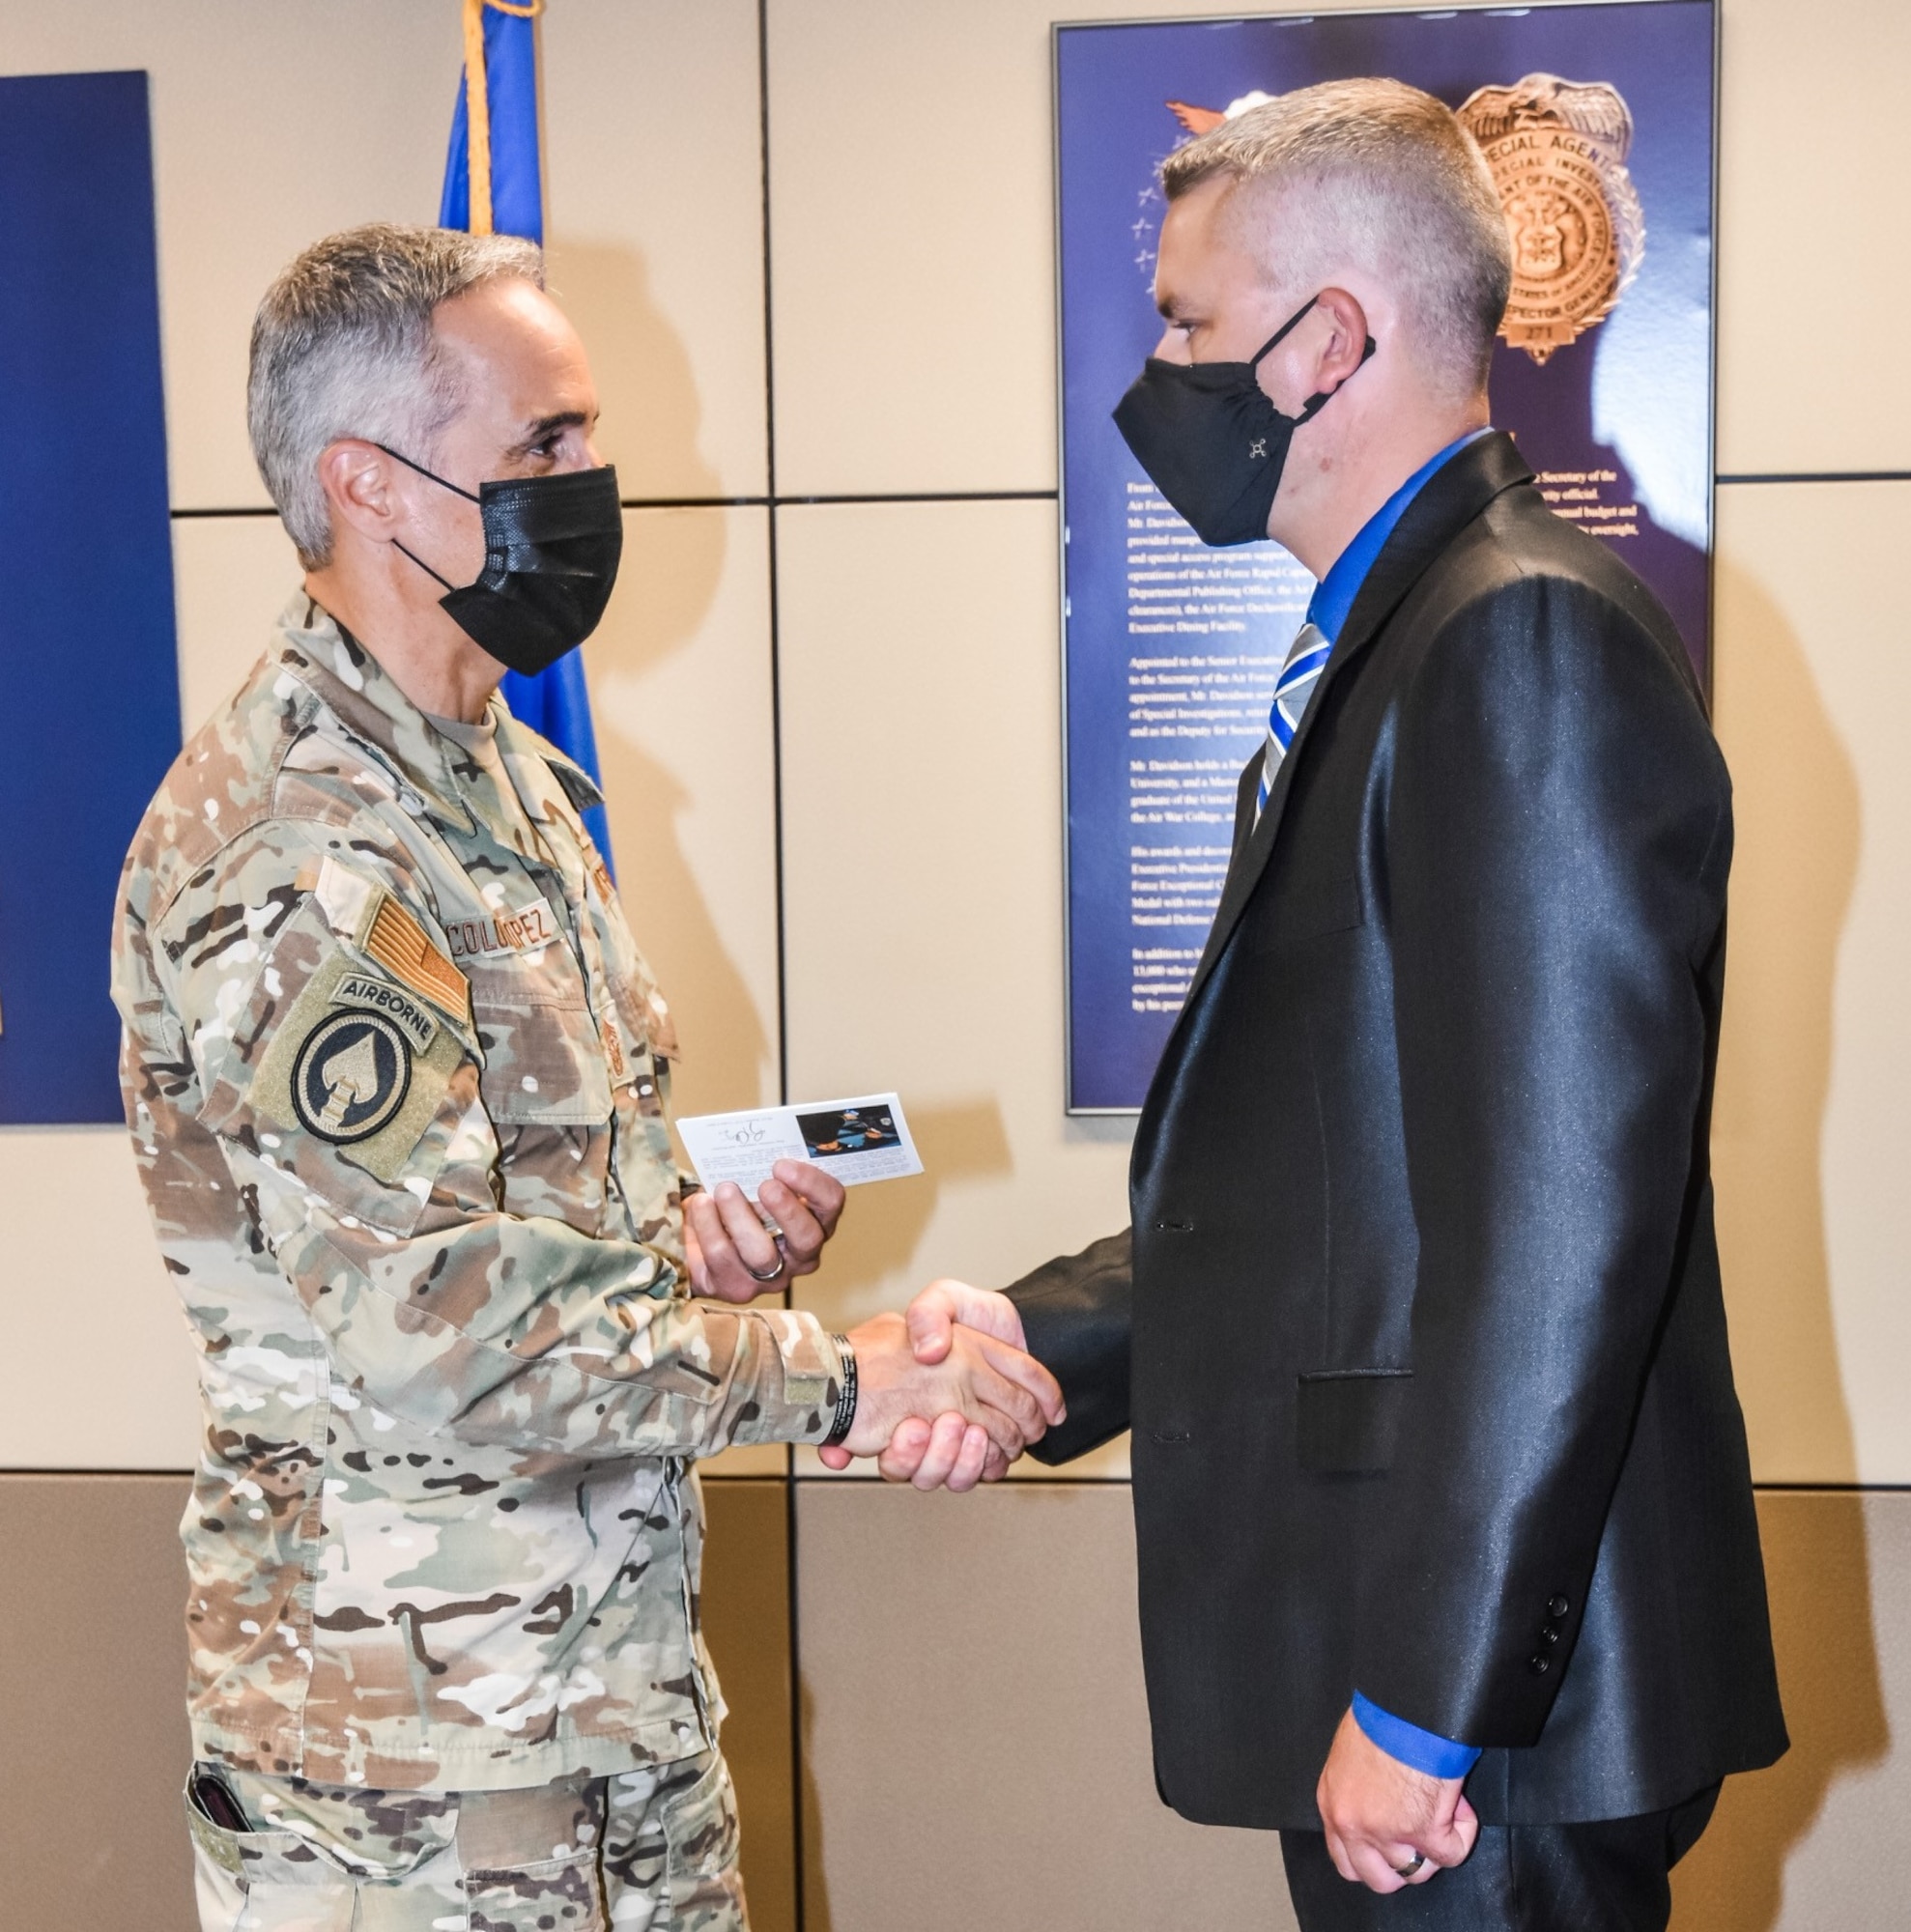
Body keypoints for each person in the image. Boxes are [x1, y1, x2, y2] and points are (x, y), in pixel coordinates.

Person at [868, 79, 1786, 1930]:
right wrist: (1042, 1339)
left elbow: (1548, 1233)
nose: (1161, 379)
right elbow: (1329, 1189)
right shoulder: (1401, 639)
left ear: (1327, 341)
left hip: (1484, 1731)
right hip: (1443, 1690)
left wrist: (1428, 1703)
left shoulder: (1510, 636)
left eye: (1190, 330)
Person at [110, 223, 1062, 1932]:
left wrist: (690, 1243)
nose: (597, 482)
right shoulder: (297, 846)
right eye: (543, 444)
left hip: (592, 1707)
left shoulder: (507, 783)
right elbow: (447, 1322)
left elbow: (527, 1220)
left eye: (590, 435)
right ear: (371, 485)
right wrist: (842, 1379)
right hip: (407, 1772)